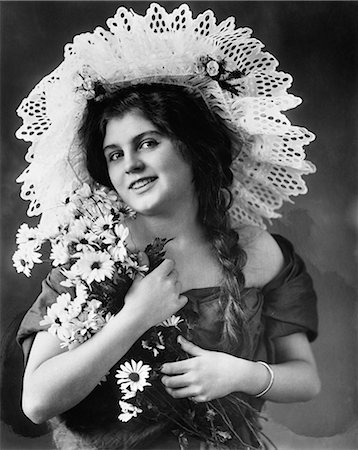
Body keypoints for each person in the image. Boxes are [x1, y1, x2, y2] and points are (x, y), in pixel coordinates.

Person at [14, 4, 320, 449]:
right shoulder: (97, 258)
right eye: (115, 154)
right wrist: (135, 316)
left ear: (193, 148)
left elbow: (305, 378)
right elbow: (37, 401)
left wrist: (242, 374)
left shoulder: (260, 252)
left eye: (148, 142)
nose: (131, 164)